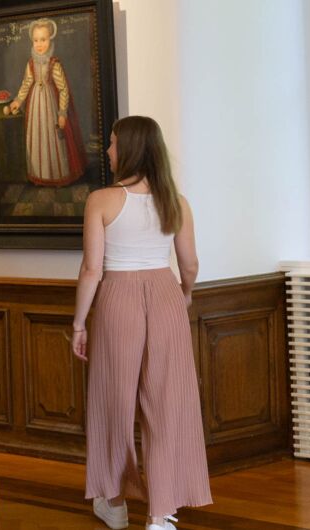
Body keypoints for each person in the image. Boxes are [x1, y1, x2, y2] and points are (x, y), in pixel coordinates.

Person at [70, 116, 212, 530]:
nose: (109, 150)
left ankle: (114, 501)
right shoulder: (176, 201)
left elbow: (91, 270)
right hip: (165, 295)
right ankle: (161, 513)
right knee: (168, 405)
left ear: (129, 149)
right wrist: (183, 293)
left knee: (113, 402)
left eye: (113, 143)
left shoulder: (101, 200)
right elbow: (190, 264)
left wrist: (80, 322)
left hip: (117, 298)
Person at [5, 17, 86, 187]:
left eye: (43, 39)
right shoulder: (30, 64)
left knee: (52, 138)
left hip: (50, 105)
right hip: (34, 105)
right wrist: (18, 101)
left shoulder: (54, 64)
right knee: (36, 136)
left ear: (50, 39)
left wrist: (62, 113)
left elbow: (63, 89)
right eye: (36, 40)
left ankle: (55, 176)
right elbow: (27, 84)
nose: (39, 44)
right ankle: (38, 174)